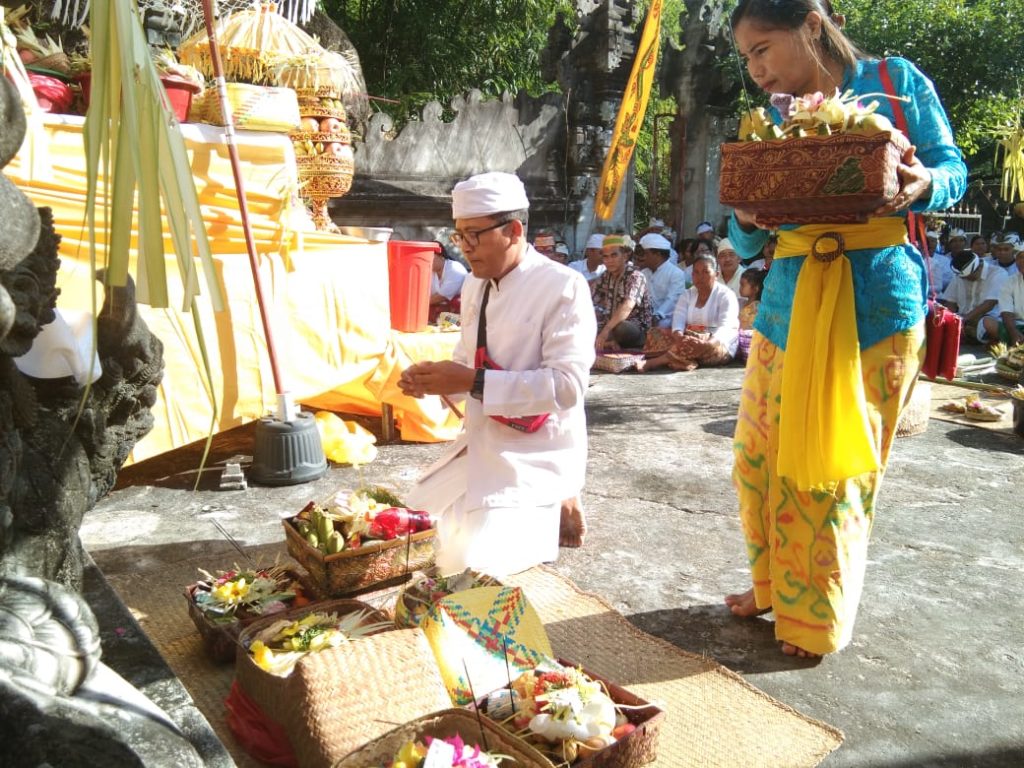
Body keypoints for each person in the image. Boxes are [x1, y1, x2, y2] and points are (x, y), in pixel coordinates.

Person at [725, 0, 966, 658]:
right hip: (786, 298)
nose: (756, 71)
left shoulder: (895, 82)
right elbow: (744, 236)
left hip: (876, 301)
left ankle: (813, 619)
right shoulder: (769, 121)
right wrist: (746, 213)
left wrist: (926, 182)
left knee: (833, 470)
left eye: (763, 49)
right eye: (747, 59)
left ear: (810, 21)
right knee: (755, 459)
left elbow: (952, 168)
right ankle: (773, 585)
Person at [399, 172, 596, 576]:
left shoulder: (565, 286)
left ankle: (561, 494)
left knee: (468, 566)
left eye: (474, 235)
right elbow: (465, 359)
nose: (465, 249)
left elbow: (568, 387)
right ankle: (555, 503)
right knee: (404, 532)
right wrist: (434, 381)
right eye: (459, 237)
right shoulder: (474, 284)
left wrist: (470, 382)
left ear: (514, 230)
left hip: (535, 450)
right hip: (481, 440)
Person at [639, 253, 739, 371]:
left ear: (716, 275)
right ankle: (684, 360)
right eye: (696, 272)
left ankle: (656, 362)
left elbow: (725, 328)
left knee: (693, 344)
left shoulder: (726, 295)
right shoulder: (688, 294)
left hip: (718, 344)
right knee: (656, 332)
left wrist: (707, 344)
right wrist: (679, 337)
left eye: (705, 272)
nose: (700, 276)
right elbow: (678, 320)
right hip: (690, 340)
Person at [591, 234, 652, 350]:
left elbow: (628, 305)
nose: (609, 260)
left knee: (621, 328)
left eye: (614, 255)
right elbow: (590, 298)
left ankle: (607, 341)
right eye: (605, 257)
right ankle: (608, 343)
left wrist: (606, 330)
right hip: (608, 325)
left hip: (634, 327)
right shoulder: (605, 276)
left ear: (625, 256)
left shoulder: (636, 276)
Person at [940, 250, 1008, 342]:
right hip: (964, 318)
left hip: (986, 318)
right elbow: (950, 301)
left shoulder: (998, 274)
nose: (966, 280)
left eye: (969, 277)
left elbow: (989, 304)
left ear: (978, 268)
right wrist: (951, 320)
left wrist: (965, 319)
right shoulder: (960, 276)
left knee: (987, 324)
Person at [638, 232, 688, 328]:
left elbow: (672, 299)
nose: (643, 257)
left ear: (657, 254)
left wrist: (658, 315)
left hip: (667, 318)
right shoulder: (644, 273)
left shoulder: (676, 273)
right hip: (646, 317)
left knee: (661, 325)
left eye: (646, 254)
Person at [983, 244, 1024, 345]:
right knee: (987, 322)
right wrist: (1013, 332)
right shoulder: (1010, 281)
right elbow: (1006, 311)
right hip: (1017, 324)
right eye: (1020, 258)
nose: (1022, 261)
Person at [429, 243, 468, 322]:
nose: (428, 261)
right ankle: (441, 321)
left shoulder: (455, 268)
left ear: (441, 255)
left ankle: (460, 323)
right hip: (442, 308)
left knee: (456, 302)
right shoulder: (430, 272)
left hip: (460, 307)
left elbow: (440, 297)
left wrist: (417, 305)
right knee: (430, 310)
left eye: (430, 257)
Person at [736, 268, 767, 362]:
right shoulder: (741, 303)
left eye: (742, 285)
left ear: (755, 288)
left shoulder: (755, 308)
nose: (740, 288)